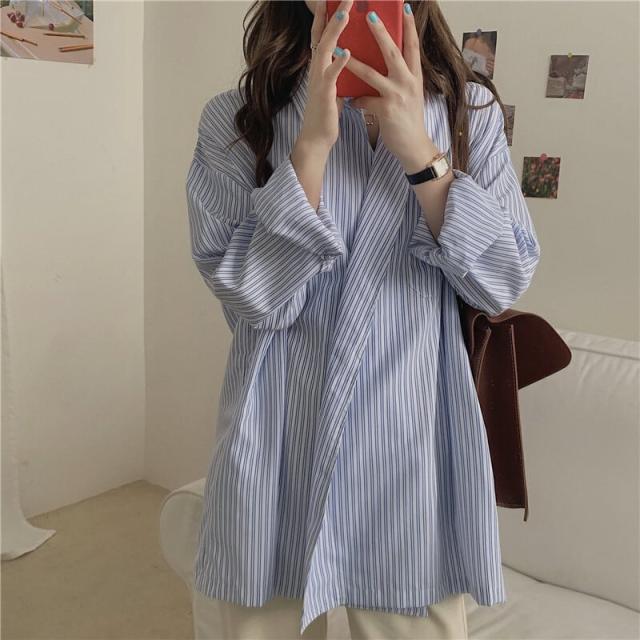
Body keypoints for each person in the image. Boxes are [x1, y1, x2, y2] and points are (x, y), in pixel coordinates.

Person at [185, 1, 541, 638]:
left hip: (412, 441)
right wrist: (310, 152)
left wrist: (420, 152)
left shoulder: (469, 115)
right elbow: (249, 298)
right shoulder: (239, 119)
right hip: (277, 434)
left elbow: (501, 279)